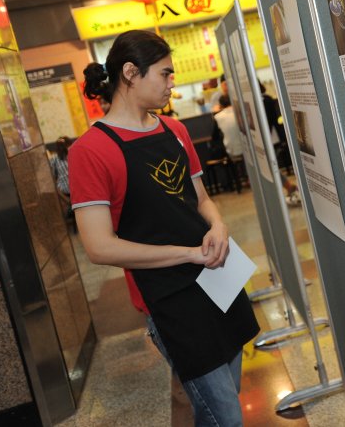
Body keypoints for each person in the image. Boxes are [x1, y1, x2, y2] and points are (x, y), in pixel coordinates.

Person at [69, 30, 259, 426]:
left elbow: (201, 198)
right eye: (165, 74)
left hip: (218, 271)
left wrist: (219, 225)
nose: (173, 83)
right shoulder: (90, 150)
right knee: (225, 414)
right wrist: (188, 254)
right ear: (130, 73)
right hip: (169, 294)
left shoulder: (175, 130)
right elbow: (100, 248)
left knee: (224, 395)